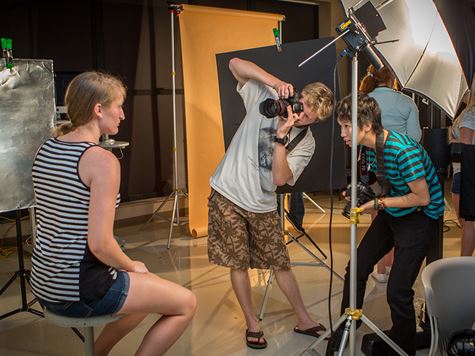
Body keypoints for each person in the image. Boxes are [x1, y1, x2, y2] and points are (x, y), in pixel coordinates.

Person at [30, 71, 196, 356]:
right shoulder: (101, 161)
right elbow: (100, 244)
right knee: (186, 303)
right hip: (79, 288)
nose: (122, 114)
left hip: (45, 282)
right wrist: (131, 265)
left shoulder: (47, 148)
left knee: (146, 291)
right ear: (98, 109)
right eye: (118, 106)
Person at [207, 57, 334, 349]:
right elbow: (235, 65)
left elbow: (279, 179)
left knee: (280, 263)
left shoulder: (306, 143)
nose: (301, 117)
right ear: (299, 97)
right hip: (228, 192)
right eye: (302, 108)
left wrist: (281, 137)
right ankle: (252, 323)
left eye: (310, 118)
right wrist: (274, 83)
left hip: (263, 204)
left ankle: (304, 319)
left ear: (316, 121)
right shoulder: (267, 96)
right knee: (237, 263)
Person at [332, 93, 444, 356]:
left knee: (397, 290)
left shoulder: (403, 151)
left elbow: (421, 197)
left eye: (347, 126)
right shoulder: (371, 148)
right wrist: (362, 192)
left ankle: (403, 347)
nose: (342, 134)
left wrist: (377, 204)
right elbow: (382, 184)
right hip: (395, 210)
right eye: (341, 126)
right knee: (357, 266)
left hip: (420, 216)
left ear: (367, 125)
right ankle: (348, 325)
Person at [359, 65, 422, 283]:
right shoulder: (406, 102)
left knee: (378, 213)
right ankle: (397, 268)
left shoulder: (364, 100)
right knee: (399, 210)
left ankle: (381, 270)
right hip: (401, 165)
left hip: (374, 165)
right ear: (393, 77)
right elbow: (414, 138)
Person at [450, 75, 475, 256]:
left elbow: (464, 149)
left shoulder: (469, 115)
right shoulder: (466, 113)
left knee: (467, 221)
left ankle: (463, 264)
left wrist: (451, 140)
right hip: (464, 171)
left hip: (465, 172)